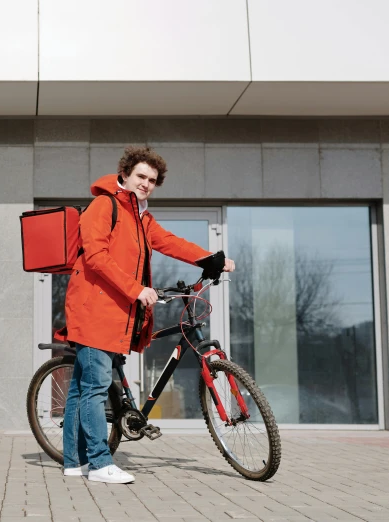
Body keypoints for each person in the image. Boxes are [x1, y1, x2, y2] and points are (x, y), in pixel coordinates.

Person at [61, 146, 235, 484]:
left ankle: (73, 462)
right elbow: (96, 256)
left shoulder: (141, 218)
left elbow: (170, 242)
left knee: (82, 390)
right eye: (141, 176)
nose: (146, 183)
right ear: (124, 174)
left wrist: (209, 259)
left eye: (152, 180)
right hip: (94, 309)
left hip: (113, 311)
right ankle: (98, 464)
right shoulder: (104, 205)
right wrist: (136, 288)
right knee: (96, 387)